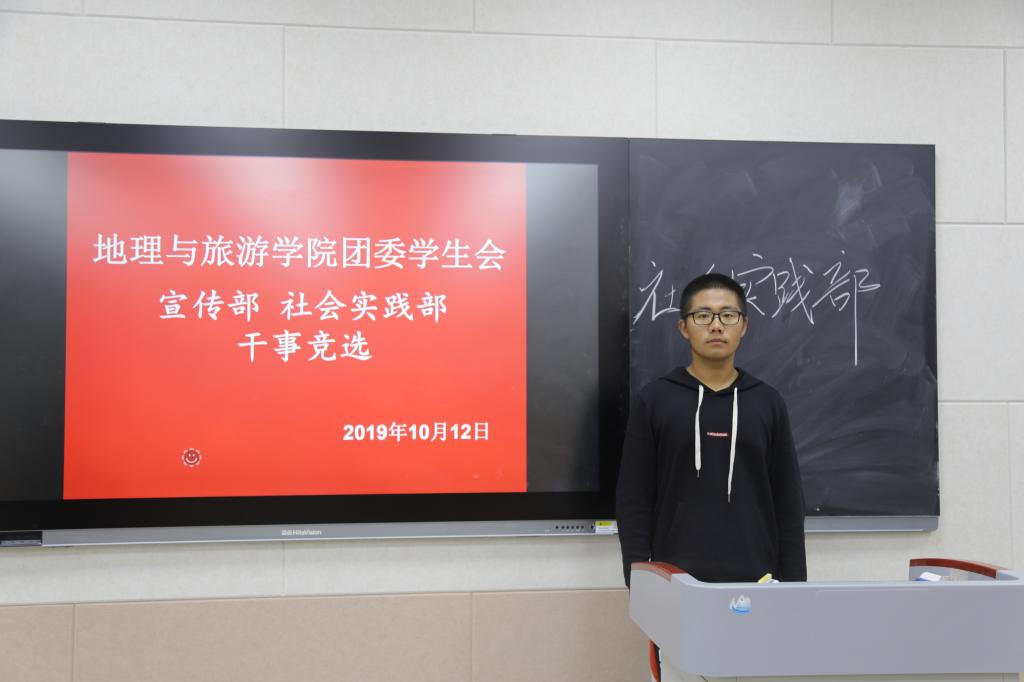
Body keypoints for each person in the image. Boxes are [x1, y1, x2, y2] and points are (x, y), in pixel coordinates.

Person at [617, 273, 806, 589]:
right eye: (703, 316)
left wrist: (794, 585)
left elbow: (788, 501)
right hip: (675, 580)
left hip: (759, 580)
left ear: (743, 326)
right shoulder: (655, 400)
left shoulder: (767, 402)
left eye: (728, 315)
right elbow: (634, 499)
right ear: (683, 327)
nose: (716, 326)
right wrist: (640, 582)